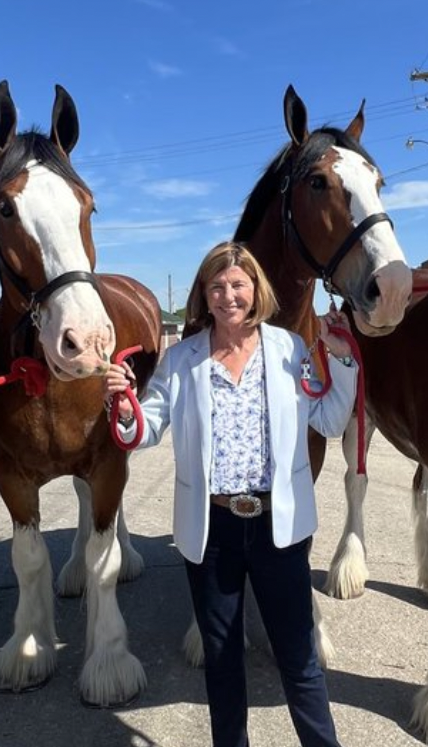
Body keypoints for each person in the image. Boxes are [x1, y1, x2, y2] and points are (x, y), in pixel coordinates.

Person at [103, 241, 356, 747]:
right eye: (216, 286)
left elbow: (327, 419)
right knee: (222, 660)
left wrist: (345, 363)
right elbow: (145, 430)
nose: (227, 295)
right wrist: (125, 407)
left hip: (278, 529)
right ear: (204, 294)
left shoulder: (289, 350)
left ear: (255, 289)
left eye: (237, 284)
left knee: (298, 656)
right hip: (212, 530)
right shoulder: (180, 360)